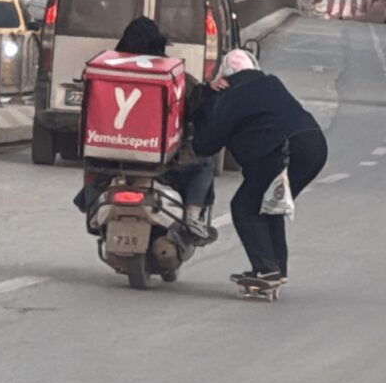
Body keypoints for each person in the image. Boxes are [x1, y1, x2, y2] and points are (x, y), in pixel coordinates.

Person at [75, 17, 217, 242]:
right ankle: (192, 217)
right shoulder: (173, 75)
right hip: (161, 159)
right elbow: (196, 107)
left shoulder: (105, 71)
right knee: (206, 159)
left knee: (93, 163)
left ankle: (93, 207)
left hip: (111, 157)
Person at [192, 49, 327, 286]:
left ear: (225, 75)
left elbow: (205, 144)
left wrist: (206, 101)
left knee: (245, 206)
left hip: (277, 150)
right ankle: (276, 268)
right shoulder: (270, 82)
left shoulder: (230, 95)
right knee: (271, 204)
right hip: (313, 146)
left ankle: (266, 269)